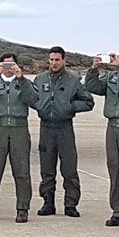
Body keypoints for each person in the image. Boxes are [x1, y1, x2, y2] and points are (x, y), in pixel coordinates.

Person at [34, 46, 94, 217]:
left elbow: (88, 102)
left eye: (57, 60)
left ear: (64, 60)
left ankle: (71, 204)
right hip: (46, 127)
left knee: (69, 168)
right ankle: (48, 202)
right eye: (51, 60)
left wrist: (70, 107)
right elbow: (32, 98)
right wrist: (40, 107)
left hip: (65, 127)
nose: (54, 63)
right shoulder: (40, 79)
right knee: (47, 168)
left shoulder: (74, 80)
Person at [0, 54, 38, 223]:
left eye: (11, 64)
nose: (8, 68)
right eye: (5, 65)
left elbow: (33, 99)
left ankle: (22, 208)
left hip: (19, 127)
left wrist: (22, 79)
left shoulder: (23, 83)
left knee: (22, 171)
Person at [85, 42, 119, 227]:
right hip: (113, 125)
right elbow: (94, 87)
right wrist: (94, 70)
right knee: (115, 169)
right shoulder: (112, 76)